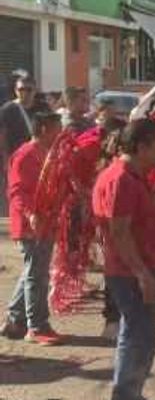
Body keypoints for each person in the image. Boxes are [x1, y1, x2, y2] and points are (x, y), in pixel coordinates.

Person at [91, 119, 155, 400]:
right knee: (140, 337)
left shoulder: (134, 176)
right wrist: (143, 275)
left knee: (136, 334)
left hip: (139, 268)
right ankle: (125, 394)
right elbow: (120, 233)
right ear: (140, 147)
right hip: (129, 272)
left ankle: (129, 393)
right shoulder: (120, 179)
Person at [1, 112, 65, 345]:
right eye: (57, 128)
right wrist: (31, 215)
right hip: (32, 224)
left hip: (43, 222)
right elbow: (17, 191)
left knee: (33, 271)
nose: (60, 133)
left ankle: (15, 319)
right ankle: (36, 326)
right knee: (36, 275)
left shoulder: (46, 153)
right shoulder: (26, 154)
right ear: (44, 129)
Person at [0, 76, 44, 166]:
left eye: (29, 89)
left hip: (39, 158)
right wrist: (6, 159)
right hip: (16, 158)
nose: (25, 93)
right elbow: (2, 137)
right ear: (15, 90)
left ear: (35, 90)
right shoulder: (7, 110)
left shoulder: (43, 108)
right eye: (21, 89)